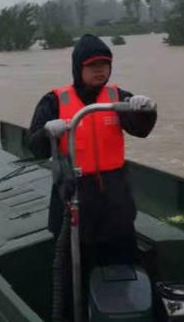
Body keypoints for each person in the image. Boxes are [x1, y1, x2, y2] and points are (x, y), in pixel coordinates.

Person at [27, 33, 157, 274]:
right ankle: (72, 309)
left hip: (114, 195)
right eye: (92, 66)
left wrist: (145, 111)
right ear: (79, 68)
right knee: (73, 268)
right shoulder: (54, 100)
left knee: (124, 261)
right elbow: (34, 147)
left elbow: (141, 131)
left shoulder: (118, 97)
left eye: (104, 64)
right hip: (74, 194)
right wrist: (47, 132)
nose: (100, 70)